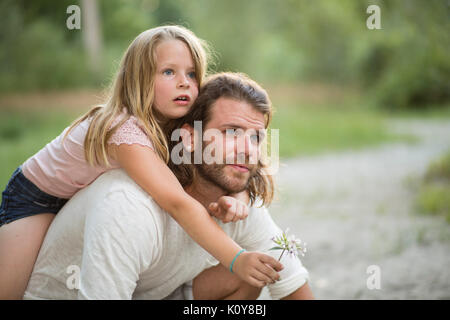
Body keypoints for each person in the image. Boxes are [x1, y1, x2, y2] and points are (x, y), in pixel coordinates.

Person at [0, 26, 281, 299]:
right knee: (9, 290)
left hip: (81, 198)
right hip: (36, 199)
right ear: (140, 79)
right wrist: (236, 259)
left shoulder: (176, 124)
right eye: (169, 72)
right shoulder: (122, 130)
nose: (184, 82)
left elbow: (223, 169)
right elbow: (177, 202)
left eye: (192, 73)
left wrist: (239, 197)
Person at [23, 72, 313, 300]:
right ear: (189, 139)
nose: (248, 151)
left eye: (256, 138)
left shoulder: (236, 203)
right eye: (231, 132)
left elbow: (293, 284)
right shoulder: (126, 202)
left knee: (250, 275)